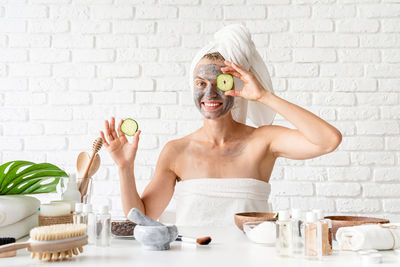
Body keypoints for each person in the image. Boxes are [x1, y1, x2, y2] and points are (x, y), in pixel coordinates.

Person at [100, 25, 342, 226]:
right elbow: (141, 219)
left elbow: (328, 140)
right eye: (200, 83)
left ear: (237, 86)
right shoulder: (176, 151)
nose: (210, 92)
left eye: (221, 82)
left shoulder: (263, 141)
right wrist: (124, 167)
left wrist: (263, 96)